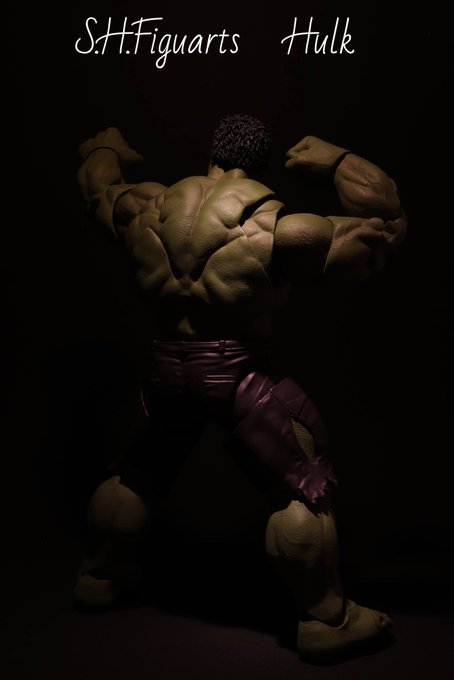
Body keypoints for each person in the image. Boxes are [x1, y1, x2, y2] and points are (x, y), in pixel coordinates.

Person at [75, 115, 407, 661]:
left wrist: (105, 147)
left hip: (166, 370)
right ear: (259, 164)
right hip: (237, 376)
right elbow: (386, 223)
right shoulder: (278, 228)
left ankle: (98, 577)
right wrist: (339, 161)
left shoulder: (146, 208)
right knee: (299, 483)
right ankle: (327, 620)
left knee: (137, 472)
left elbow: (97, 191)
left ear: (213, 154)